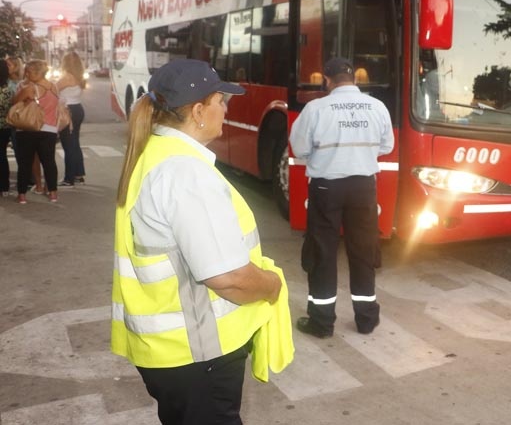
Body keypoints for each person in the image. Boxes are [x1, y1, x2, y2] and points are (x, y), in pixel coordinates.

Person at [111, 59, 291, 425]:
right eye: (221, 102)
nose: (226, 110)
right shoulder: (185, 174)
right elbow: (227, 278)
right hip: (197, 357)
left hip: (170, 356)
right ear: (197, 111)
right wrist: (273, 286)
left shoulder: (154, 154)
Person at [289, 57, 394, 338]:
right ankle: (366, 320)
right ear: (354, 80)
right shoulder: (377, 107)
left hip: (326, 188)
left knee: (322, 253)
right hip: (363, 188)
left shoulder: (315, 108)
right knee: (364, 251)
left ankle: (322, 323)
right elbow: (386, 145)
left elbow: (298, 149)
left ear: (327, 80)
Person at [11, 60, 60, 204]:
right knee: (49, 162)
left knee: (25, 162)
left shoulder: (29, 88)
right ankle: (53, 193)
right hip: (50, 129)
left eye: (29, 71)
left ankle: (22, 195)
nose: (26, 74)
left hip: (29, 129)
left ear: (37, 72)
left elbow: (14, 102)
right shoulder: (54, 87)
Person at [57, 52, 87, 186]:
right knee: (74, 143)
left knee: (68, 145)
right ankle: (78, 174)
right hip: (78, 109)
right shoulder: (79, 77)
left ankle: (69, 178)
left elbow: (52, 90)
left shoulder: (66, 78)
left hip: (67, 111)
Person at [0, 62, 12, 196]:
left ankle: (3, 186)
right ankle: (4, 186)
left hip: (2, 126)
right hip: (5, 127)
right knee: (2, 156)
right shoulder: (7, 89)